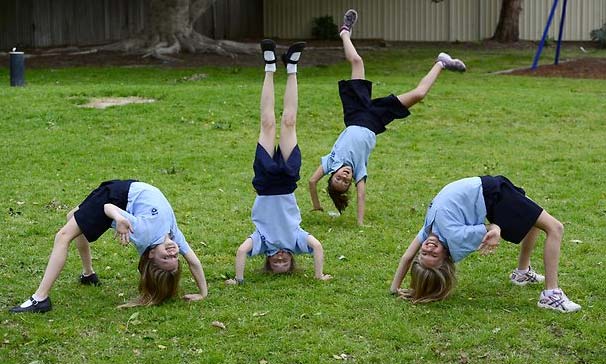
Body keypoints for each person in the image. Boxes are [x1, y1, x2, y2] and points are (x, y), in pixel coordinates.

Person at [309, 9, 466, 225]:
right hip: (374, 120)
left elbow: (311, 181)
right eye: (345, 182)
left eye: (338, 178)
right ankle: (442, 62)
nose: (344, 177)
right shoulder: (359, 171)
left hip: (355, 113)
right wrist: (361, 223)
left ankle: (344, 32)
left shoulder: (330, 162)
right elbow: (362, 195)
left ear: (332, 174)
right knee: (419, 95)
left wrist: (316, 205)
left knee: (357, 61)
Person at [389, 175, 582, 313]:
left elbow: (406, 257)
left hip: (490, 188)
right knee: (555, 228)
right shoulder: (456, 236)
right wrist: (496, 231)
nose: (429, 248)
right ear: (445, 257)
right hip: (494, 195)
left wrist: (395, 288)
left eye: (424, 254)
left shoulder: (429, 232)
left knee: (533, 219)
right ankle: (550, 295)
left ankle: (522, 273)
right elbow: (491, 228)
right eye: (434, 255)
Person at [10, 180, 208, 313]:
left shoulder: (142, 232)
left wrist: (120, 218)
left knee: (62, 236)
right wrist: (203, 293)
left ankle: (40, 298)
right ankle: (88, 275)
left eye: (166, 258)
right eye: (174, 258)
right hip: (124, 192)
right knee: (73, 217)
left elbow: (108, 208)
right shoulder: (172, 235)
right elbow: (194, 262)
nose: (174, 253)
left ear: (151, 254)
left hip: (117, 197)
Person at [225, 40, 332, 286]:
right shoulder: (296, 240)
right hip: (286, 181)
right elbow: (316, 246)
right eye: (286, 263)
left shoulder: (263, 242)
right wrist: (318, 275)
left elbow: (241, 251)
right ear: (293, 259)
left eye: (277, 263)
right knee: (289, 121)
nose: (281, 258)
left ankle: (269, 66)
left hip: (264, 183)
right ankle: (292, 67)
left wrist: (238, 279)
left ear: (268, 261)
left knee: (268, 123)